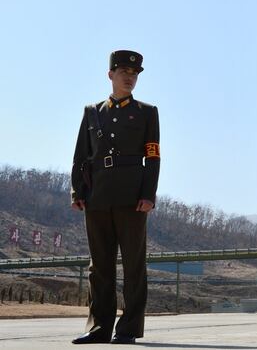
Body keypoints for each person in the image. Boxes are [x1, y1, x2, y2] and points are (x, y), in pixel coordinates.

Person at [70, 50, 160, 345]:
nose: (129, 77)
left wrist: (148, 194)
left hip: (132, 198)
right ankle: (98, 328)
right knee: (100, 267)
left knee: (134, 265)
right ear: (111, 75)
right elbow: (81, 155)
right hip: (97, 197)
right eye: (123, 72)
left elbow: (153, 157)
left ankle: (128, 329)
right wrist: (77, 191)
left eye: (134, 74)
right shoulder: (92, 112)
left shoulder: (147, 112)